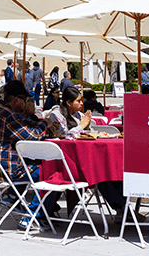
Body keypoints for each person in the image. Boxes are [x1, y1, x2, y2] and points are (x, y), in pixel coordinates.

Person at [0, 80, 58, 219]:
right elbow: (32, 137)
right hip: (5, 171)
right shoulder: (8, 115)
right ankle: (34, 214)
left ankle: (12, 196)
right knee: (50, 171)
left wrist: (41, 123)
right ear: (17, 100)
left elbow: (25, 124)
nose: (26, 102)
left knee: (33, 163)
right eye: (25, 99)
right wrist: (46, 123)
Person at [46, 86, 128, 219]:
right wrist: (81, 126)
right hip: (66, 163)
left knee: (108, 168)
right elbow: (62, 136)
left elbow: (83, 135)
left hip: (81, 157)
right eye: (78, 101)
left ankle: (122, 208)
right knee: (99, 172)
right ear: (68, 102)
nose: (81, 103)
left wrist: (87, 128)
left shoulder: (78, 115)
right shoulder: (56, 114)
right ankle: (122, 208)